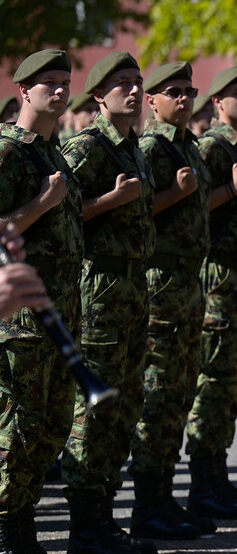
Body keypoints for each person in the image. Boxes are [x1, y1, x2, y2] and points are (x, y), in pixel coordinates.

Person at [61, 51, 158, 554]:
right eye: (123, 83)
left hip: (133, 288)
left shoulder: (133, 147)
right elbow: (59, 212)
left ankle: (103, 516)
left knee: (125, 405)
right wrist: (109, 202)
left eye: (139, 82)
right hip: (100, 290)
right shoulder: (87, 146)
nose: (135, 90)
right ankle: (84, 526)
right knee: (94, 407)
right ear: (100, 95)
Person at [0, 50, 84, 553]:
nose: (58, 90)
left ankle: (24, 528)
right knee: (18, 427)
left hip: (60, 313)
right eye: (47, 82)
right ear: (23, 91)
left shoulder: (54, 154)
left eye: (63, 81)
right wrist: (41, 205)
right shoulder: (7, 152)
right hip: (19, 320)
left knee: (51, 426)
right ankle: (8, 533)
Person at [130, 61, 215, 540]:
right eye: (174, 92)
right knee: (158, 392)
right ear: (153, 100)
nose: (184, 99)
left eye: (189, 90)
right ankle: (147, 505)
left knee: (182, 388)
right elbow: (135, 210)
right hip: (160, 280)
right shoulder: (150, 147)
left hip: (188, 280)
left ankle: (164, 496)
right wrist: (174, 194)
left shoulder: (187, 145)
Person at [186, 64, 237, 521]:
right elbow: (191, 206)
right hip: (218, 276)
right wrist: (230, 191)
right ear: (217, 103)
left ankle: (218, 477)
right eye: (235, 94)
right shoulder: (212, 147)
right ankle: (202, 484)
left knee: (234, 378)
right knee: (214, 379)